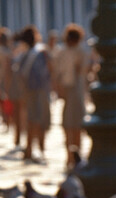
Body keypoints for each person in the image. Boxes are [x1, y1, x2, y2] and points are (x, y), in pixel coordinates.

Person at [52, 24, 90, 168]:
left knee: (70, 125)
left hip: (69, 90)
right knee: (76, 125)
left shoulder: (62, 52)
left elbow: (57, 74)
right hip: (76, 90)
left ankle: (71, 157)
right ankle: (76, 155)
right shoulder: (79, 52)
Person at [19, 25, 51, 162]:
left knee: (31, 119)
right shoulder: (42, 52)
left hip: (29, 90)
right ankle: (40, 149)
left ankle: (29, 148)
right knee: (41, 120)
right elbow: (50, 70)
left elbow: (20, 74)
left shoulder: (23, 55)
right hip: (41, 90)